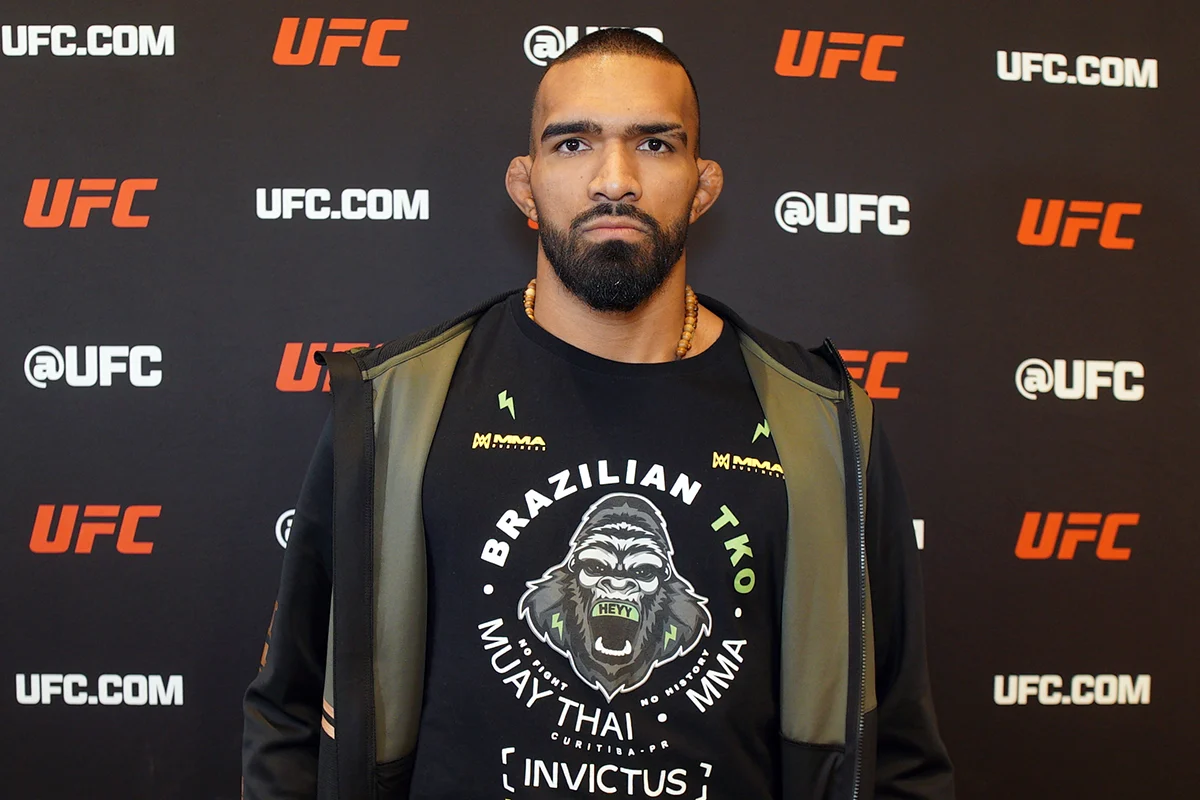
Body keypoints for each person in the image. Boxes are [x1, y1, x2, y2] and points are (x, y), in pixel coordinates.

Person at [242, 29, 954, 800]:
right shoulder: (395, 406)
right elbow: (291, 714)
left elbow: (896, 750)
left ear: (702, 184)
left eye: (654, 144)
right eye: (574, 143)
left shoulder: (822, 425)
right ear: (525, 184)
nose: (615, 181)